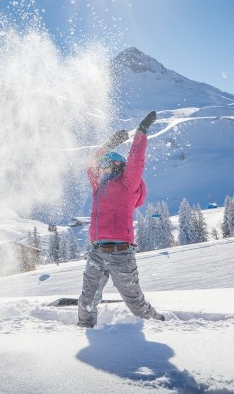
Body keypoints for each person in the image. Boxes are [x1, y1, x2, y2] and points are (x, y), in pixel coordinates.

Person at [77, 111, 165, 328]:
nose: (99, 169)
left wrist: (141, 132)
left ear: (116, 167)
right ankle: (84, 328)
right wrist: (109, 144)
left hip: (121, 254)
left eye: (104, 166)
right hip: (97, 252)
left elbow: (136, 162)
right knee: (87, 300)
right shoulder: (98, 186)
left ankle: (161, 324)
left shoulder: (127, 184)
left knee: (134, 301)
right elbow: (90, 163)